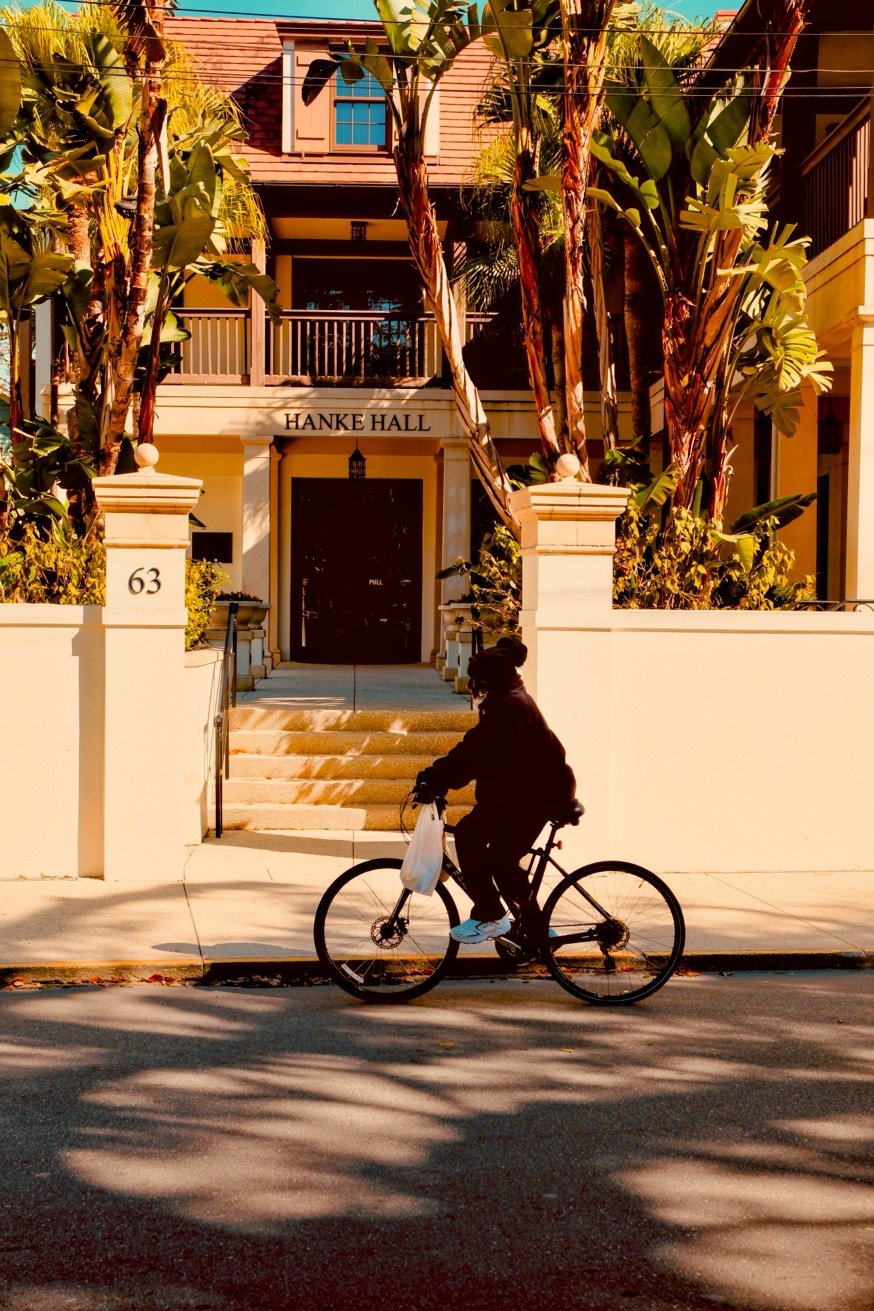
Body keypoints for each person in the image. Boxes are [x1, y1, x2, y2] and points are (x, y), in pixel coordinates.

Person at [414, 635, 576, 945]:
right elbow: (476, 749)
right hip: (524, 793)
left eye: (477, 681)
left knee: (470, 837)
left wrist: (436, 778)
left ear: (490, 680)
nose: (473, 687)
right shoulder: (508, 700)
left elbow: (475, 753)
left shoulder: (509, 708)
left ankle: (489, 915)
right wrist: (438, 776)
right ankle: (535, 928)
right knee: (501, 861)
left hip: (536, 797)